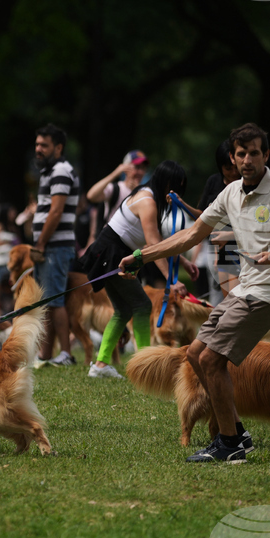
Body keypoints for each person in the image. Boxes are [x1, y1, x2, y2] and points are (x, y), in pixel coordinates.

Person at [119, 123, 270, 462]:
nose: (247, 159)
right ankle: (236, 434)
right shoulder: (229, 194)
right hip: (244, 289)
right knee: (196, 354)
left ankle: (230, 443)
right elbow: (191, 235)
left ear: (265, 155)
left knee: (211, 359)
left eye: (254, 152)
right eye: (240, 153)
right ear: (232, 157)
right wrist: (142, 256)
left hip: (268, 294)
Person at [80, 161, 198, 378]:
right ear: (166, 182)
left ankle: (101, 365)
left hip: (113, 252)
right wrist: (171, 279)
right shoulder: (147, 201)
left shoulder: (147, 195)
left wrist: (183, 262)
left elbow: (155, 241)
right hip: (112, 254)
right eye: (175, 187)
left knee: (124, 310)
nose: (175, 193)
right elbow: (153, 245)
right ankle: (144, 367)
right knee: (142, 306)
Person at [31, 124, 77, 365]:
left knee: (55, 301)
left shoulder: (60, 171)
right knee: (46, 301)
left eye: (44, 145)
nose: (38, 149)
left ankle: (67, 354)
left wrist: (40, 242)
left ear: (58, 148)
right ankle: (45, 355)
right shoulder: (49, 171)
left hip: (55, 247)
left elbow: (57, 211)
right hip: (50, 246)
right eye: (37, 144)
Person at [194, 140, 242, 303]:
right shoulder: (214, 182)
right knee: (219, 301)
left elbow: (254, 226)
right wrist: (181, 203)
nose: (234, 172)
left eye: (236, 167)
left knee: (236, 304)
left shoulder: (247, 186)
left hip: (239, 251)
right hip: (217, 249)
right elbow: (201, 217)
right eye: (228, 168)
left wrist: (228, 236)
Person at [85, 150, 149, 240]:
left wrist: (139, 191)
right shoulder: (116, 188)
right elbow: (91, 196)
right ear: (126, 167)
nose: (140, 172)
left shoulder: (145, 193)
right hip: (110, 242)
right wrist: (115, 173)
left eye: (143, 168)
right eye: (137, 167)